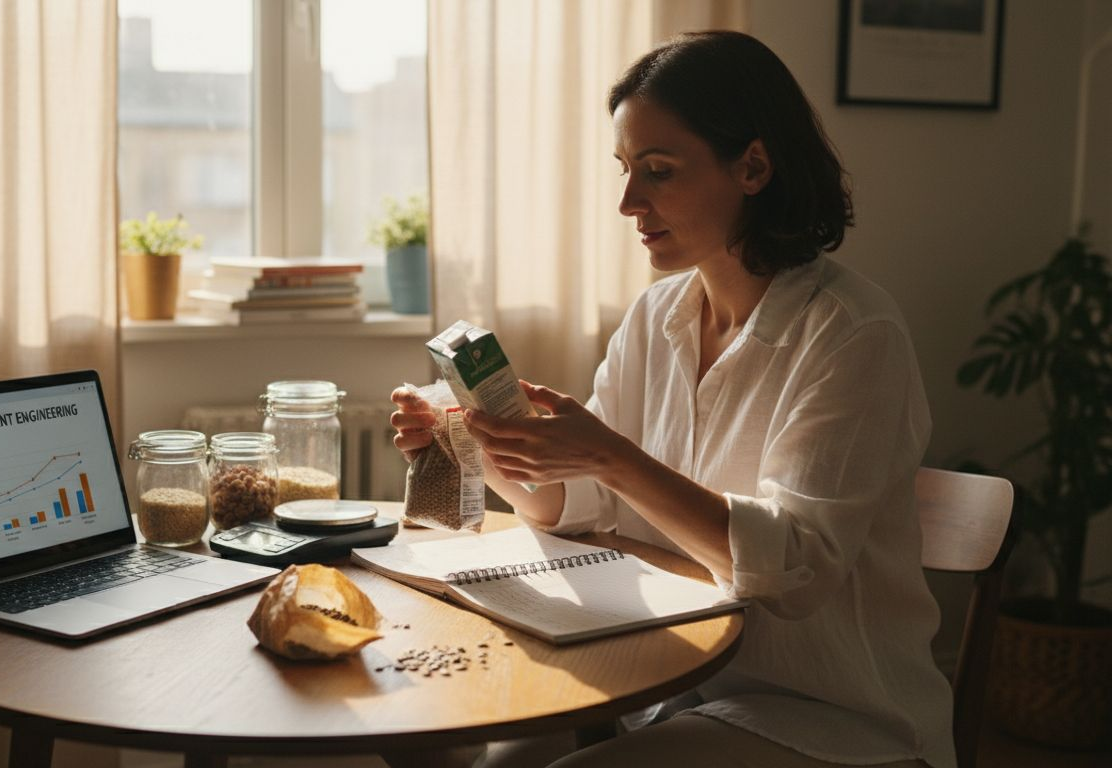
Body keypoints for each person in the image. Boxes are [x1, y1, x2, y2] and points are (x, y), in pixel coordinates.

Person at [391, 31, 954, 768]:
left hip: (827, 715)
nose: (629, 202)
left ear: (752, 166)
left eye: (658, 171)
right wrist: (474, 440)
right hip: (668, 678)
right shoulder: (657, 318)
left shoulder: (852, 333)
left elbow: (799, 570)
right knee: (463, 742)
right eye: (626, 170)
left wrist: (613, 458)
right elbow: (579, 503)